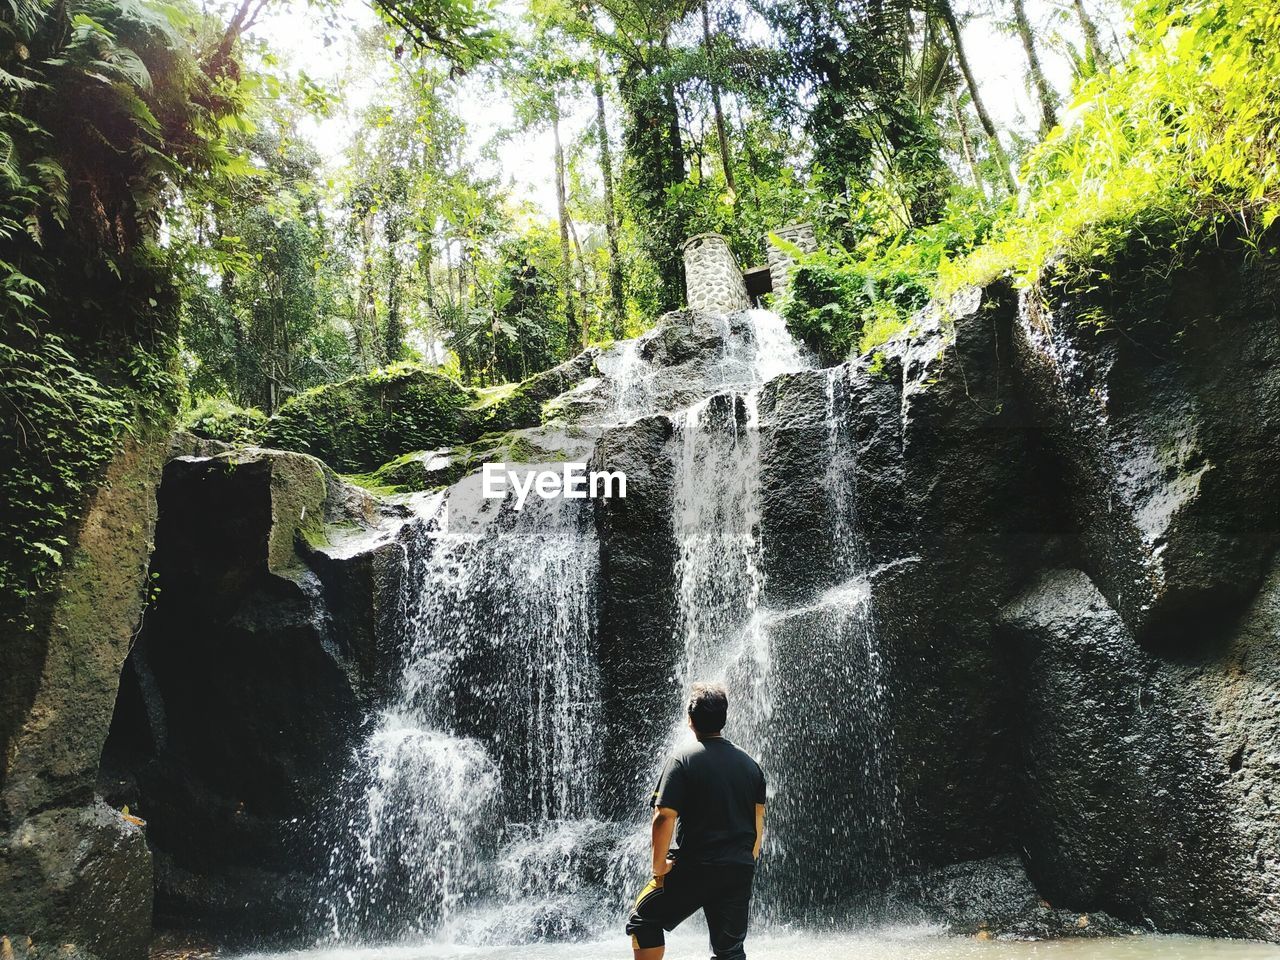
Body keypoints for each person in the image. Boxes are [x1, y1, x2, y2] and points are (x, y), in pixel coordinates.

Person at [625, 683, 767, 960]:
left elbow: (664, 815)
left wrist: (659, 865)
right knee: (730, 951)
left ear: (690, 720)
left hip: (695, 869)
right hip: (737, 869)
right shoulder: (751, 765)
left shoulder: (682, 760)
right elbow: (758, 818)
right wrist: (745, 859)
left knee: (643, 919)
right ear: (724, 718)